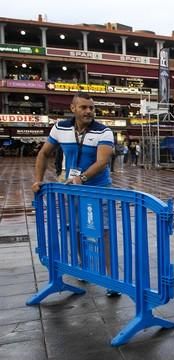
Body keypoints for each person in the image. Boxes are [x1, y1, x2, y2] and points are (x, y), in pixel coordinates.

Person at [31, 91, 120, 297]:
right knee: (75, 229)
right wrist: (38, 180)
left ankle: (112, 279)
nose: (89, 111)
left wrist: (83, 178)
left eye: (91, 107)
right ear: (73, 108)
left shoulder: (103, 131)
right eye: (84, 107)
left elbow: (102, 161)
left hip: (98, 189)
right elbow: (44, 153)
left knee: (104, 232)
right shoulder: (60, 127)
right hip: (71, 190)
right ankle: (83, 269)